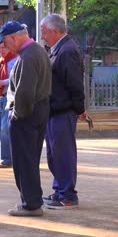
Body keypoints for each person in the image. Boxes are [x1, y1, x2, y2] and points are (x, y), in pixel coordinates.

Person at [0, 21, 52, 217]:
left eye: (5, 42)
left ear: (13, 37)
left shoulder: (27, 56)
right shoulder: (36, 51)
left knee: (24, 160)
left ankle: (31, 204)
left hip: (27, 114)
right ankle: (31, 200)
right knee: (29, 159)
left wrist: (17, 115)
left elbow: (25, 91)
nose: (4, 47)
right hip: (38, 111)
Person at [40, 14, 89, 209]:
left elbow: (75, 84)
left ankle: (67, 195)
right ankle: (60, 190)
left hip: (63, 111)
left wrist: (79, 109)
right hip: (55, 110)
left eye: (44, 32)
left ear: (54, 31)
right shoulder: (59, 48)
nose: (42, 36)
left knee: (63, 154)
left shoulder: (66, 50)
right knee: (55, 155)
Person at [0, 42, 18, 168]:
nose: (1, 51)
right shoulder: (2, 61)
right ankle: (7, 157)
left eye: (3, 48)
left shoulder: (15, 59)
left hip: (9, 98)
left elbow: (16, 78)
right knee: (0, 129)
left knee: (4, 129)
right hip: (0, 97)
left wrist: (2, 82)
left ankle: (7, 159)